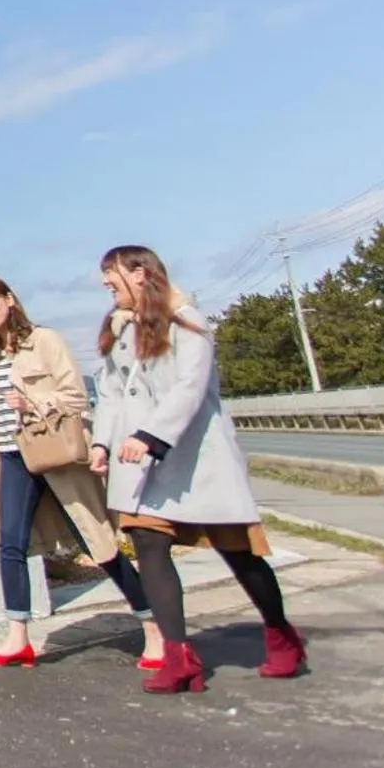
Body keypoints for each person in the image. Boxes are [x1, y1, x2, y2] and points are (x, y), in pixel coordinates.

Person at [92, 245, 309, 693]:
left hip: (195, 460)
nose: (105, 285)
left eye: (112, 277)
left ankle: (281, 634)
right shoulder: (121, 332)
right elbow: (112, 395)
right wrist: (101, 443)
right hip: (141, 466)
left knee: (240, 556)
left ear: (140, 273)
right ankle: (179, 656)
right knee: (149, 545)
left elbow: (189, 388)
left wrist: (151, 436)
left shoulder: (188, 322)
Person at [0, 276, 161, 668]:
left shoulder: (45, 341)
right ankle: (17, 636)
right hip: (12, 457)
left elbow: (75, 396)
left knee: (97, 542)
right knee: (10, 544)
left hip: (53, 454)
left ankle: (153, 627)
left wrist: (32, 401)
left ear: (9, 298)